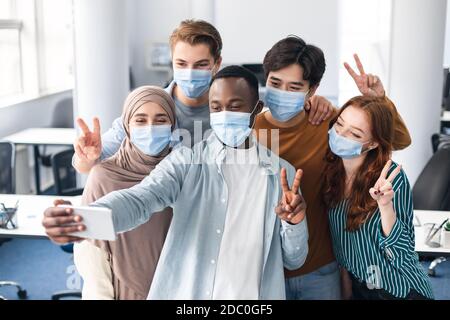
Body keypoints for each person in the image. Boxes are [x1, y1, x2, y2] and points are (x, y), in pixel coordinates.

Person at [42, 66, 309, 300]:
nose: (224, 114)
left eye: (235, 105)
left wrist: (293, 222)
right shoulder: (186, 161)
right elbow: (139, 199)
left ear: (256, 109)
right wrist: (84, 220)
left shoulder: (281, 175)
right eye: (216, 107)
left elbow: (294, 260)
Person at [254, 36, 412, 299]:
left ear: (312, 90)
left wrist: (380, 100)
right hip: (266, 271)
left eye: (294, 87)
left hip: (320, 269)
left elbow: (398, 141)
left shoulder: (327, 124)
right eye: (275, 83)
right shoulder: (249, 130)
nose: (282, 93)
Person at [72, 21, 334, 174]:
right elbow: (89, 163)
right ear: (172, 62)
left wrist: (315, 101)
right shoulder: (150, 108)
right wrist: (85, 158)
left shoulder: (237, 105)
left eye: (200, 64)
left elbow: (282, 98)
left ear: (216, 63)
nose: (189, 73)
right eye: (181, 63)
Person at [59, 86, 176, 300]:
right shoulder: (104, 176)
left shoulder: (182, 173)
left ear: (173, 125)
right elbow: (92, 258)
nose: (150, 128)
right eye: (140, 120)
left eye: (161, 120)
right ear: (127, 126)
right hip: (122, 291)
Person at [323, 94, 434, 300]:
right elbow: (342, 247)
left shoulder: (390, 179)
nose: (340, 135)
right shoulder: (330, 174)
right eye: (339, 124)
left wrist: (385, 207)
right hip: (359, 288)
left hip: (398, 290)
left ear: (372, 144)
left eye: (354, 134)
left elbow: (404, 254)